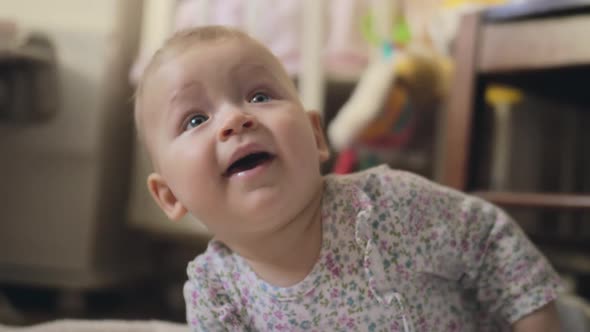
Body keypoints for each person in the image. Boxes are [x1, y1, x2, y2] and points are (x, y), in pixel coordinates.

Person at [133, 26, 562, 331]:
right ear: (169, 195)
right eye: (195, 119)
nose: (235, 119)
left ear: (316, 135)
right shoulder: (215, 293)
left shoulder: (386, 206)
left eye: (259, 96)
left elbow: (493, 245)